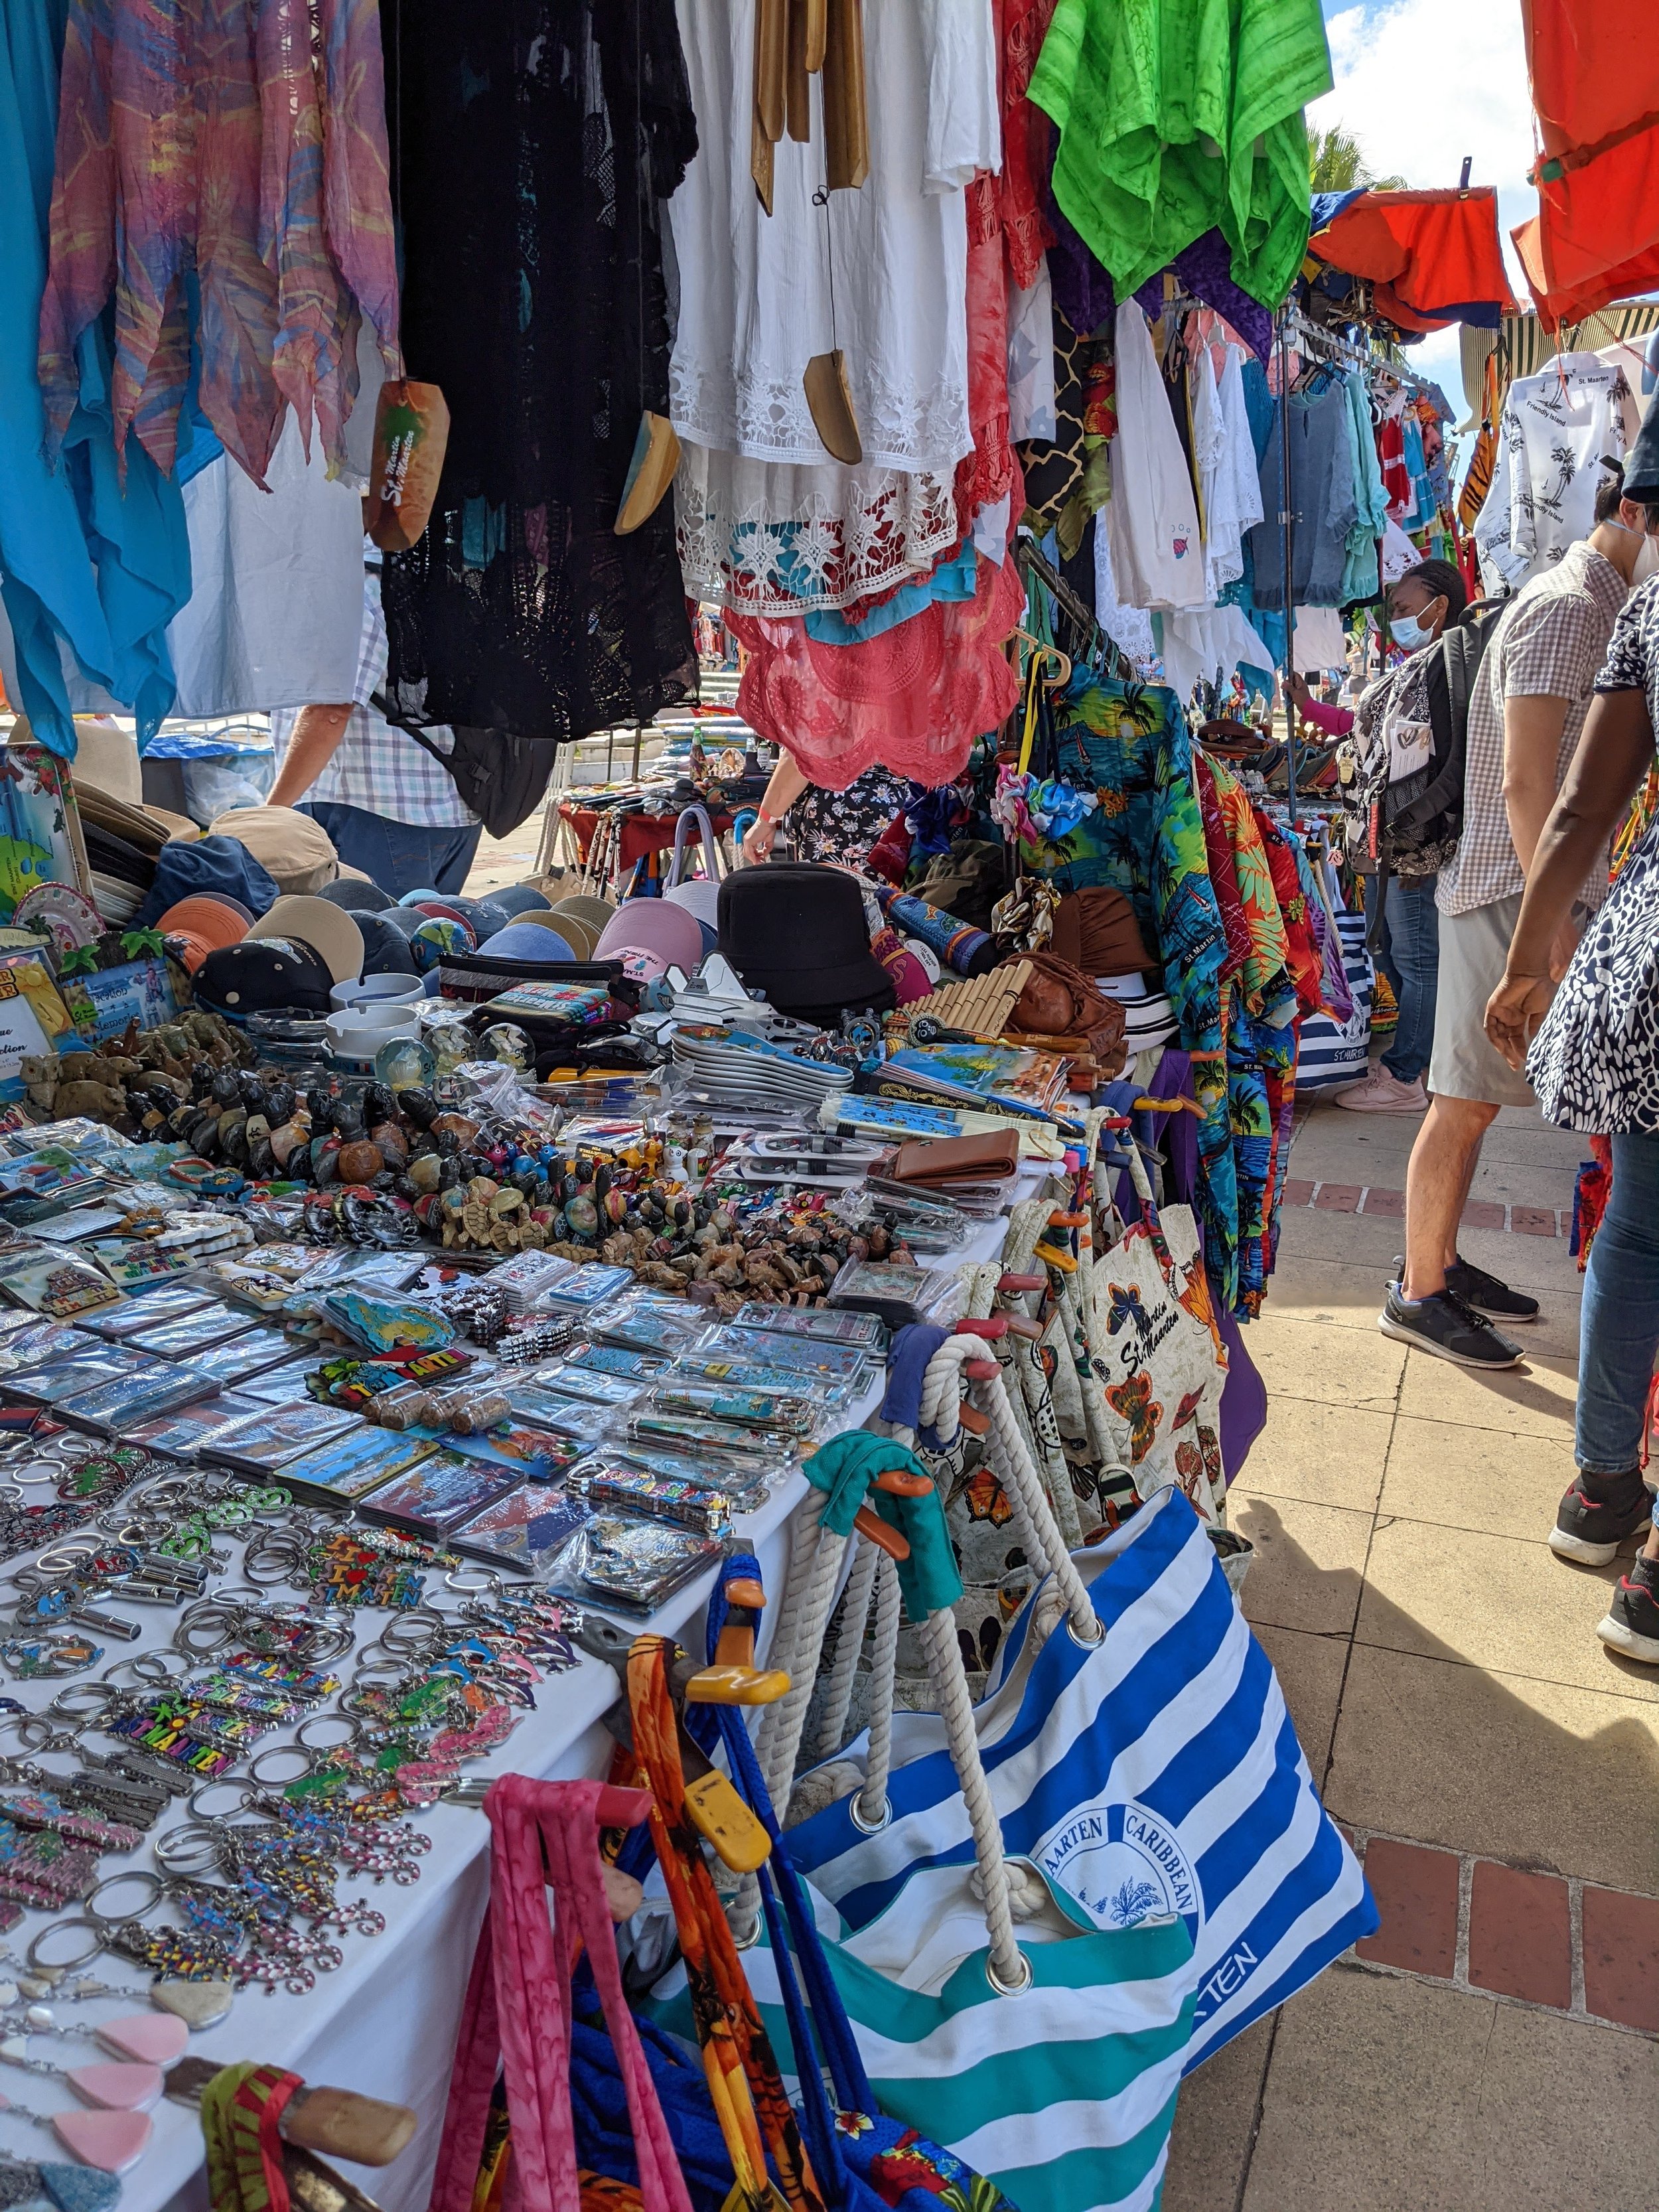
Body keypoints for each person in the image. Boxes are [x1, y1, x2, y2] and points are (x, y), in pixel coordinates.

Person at [1382, 469, 1652, 1368]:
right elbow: (1528, 781)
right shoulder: (1574, 606)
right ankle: (1418, 1292)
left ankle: (1442, 1262)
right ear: (1637, 512)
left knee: (1474, 1104)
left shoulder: (1591, 603)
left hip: (1515, 885)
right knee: (1459, 1102)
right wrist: (1557, 918)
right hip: (1507, 887)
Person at [1485, 432, 1659, 1661]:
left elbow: (1580, 808)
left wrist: (1528, 958)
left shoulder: (1651, 613)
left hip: (1650, 961)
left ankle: (1600, 1493)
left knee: (1638, 1232)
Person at [1291, 559, 1469, 1113]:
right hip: (1398, 842)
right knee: (1396, 952)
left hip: (1417, 842)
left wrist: (1411, 823)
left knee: (1415, 959)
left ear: (1438, 606)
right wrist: (1306, 707)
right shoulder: (1418, 669)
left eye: (1402, 608)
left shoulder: (1445, 669)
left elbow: (1430, 759)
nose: (1394, 619)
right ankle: (1414, 1060)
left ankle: (1407, 1077)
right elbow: (1361, 727)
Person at [267, 551, 483, 898]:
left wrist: (272, 813)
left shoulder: (358, 587)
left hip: (373, 811)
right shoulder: (447, 581)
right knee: (427, 940)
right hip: (453, 807)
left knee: (368, 945)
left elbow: (330, 709)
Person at [739, 753, 912, 869]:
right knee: (887, 911)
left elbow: (802, 750)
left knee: (826, 910)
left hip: (838, 811)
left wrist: (765, 819)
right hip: (904, 810)